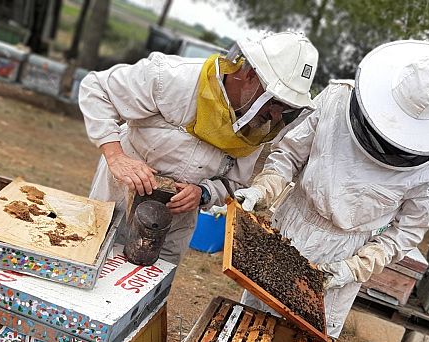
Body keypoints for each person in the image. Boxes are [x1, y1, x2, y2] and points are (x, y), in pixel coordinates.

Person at [235, 40, 429, 337]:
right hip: (290, 226)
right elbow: (289, 155)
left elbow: (408, 230)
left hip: (345, 256)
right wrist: (263, 189)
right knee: (250, 324)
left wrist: (357, 267)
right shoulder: (338, 98)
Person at [78, 32, 318, 264]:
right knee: (92, 265)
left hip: (174, 224)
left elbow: (235, 183)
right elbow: (96, 89)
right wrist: (116, 156)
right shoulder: (173, 77)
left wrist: (203, 193)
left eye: (285, 107)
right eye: (275, 101)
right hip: (118, 200)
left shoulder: (256, 127)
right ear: (251, 76)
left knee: (146, 295)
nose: (276, 114)